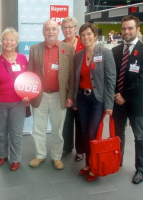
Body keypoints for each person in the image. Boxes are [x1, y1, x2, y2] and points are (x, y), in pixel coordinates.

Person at [112, 15, 143, 184]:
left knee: (140, 136)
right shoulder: (115, 51)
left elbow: (142, 79)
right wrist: (116, 95)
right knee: (118, 134)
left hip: (135, 102)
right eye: (124, 28)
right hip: (117, 102)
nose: (126, 31)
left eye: (130, 28)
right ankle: (117, 160)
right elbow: (112, 77)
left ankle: (140, 170)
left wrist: (124, 96)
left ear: (137, 29)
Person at [28, 20, 75, 170]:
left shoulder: (67, 49)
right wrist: (29, 94)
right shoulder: (35, 49)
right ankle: (40, 155)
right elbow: (29, 73)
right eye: (47, 29)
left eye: (54, 29)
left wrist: (70, 96)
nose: (50, 32)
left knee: (58, 130)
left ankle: (56, 157)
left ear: (58, 31)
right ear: (43, 32)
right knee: (38, 129)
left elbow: (72, 75)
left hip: (59, 96)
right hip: (39, 95)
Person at [74, 22, 116, 181]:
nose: (86, 37)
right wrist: (75, 101)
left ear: (95, 35)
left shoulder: (105, 53)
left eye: (89, 34)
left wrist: (109, 104)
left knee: (93, 132)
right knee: (85, 132)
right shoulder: (78, 56)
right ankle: (88, 163)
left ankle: (94, 166)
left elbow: (111, 80)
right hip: (82, 98)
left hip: (98, 99)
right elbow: (76, 79)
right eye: (83, 34)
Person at [0, 27, 27, 171]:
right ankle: (3, 155)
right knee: (1, 132)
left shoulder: (23, 59)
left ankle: (15, 159)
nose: (8, 42)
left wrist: (29, 96)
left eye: (12, 40)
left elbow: (27, 80)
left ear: (16, 43)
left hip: (18, 103)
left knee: (16, 133)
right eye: (6, 39)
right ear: (1, 42)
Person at [60, 16, 85, 162]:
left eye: (70, 27)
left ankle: (80, 150)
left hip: (81, 89)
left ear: (75, 28)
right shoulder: (60, 45)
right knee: (66, 121)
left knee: (80, 121)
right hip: (66, 89)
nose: (67, 30)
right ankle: (67, 147)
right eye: (65, 27)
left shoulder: (83, 42)